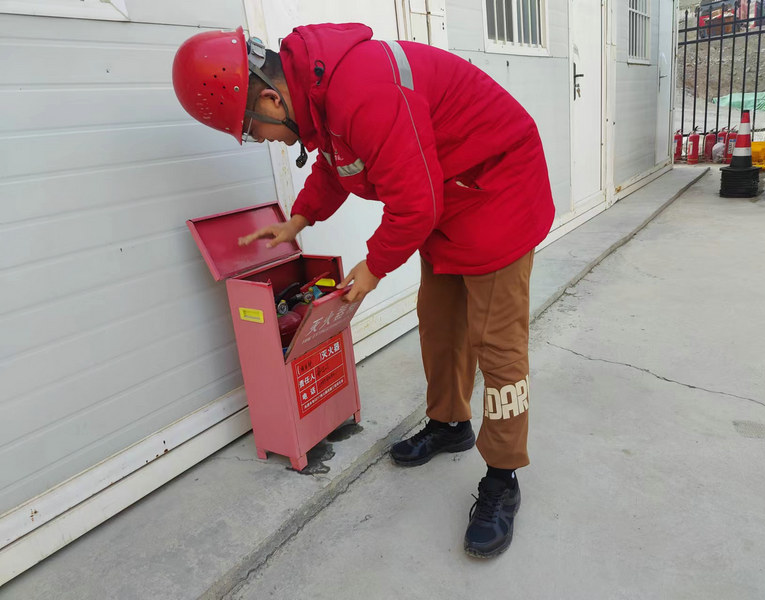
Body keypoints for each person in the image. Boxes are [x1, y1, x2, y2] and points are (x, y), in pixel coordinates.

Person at [172, 22, 555, 558]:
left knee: (497, 342)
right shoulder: (320, 95)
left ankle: (503, 475)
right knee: (440, 324)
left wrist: (373, 267)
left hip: (497, 187)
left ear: (270, 98)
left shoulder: (361, 89)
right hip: (447, 193)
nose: (268, 142)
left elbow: (414, 205)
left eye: (256, 132)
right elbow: (338, 166)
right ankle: (449, 424)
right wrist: (298, 219)